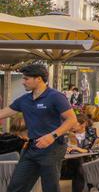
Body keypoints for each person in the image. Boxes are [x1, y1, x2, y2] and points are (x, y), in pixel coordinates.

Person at [0, 63, 78, 192]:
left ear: (39, 78)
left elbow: (72, 120)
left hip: (52, 148)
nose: (23, 82)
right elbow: (3, 113)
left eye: (26, 79)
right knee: (15, 187)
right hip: (31, 148)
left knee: (50, 188)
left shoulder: (56, 97)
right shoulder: (24, 100)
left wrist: (52, 136)